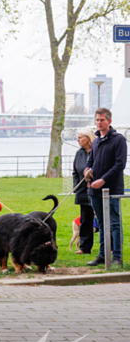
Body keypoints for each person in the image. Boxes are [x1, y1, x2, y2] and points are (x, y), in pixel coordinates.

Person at [85, 108, 126, 267]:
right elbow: (91, 161)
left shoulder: (118, 140)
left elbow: (120, 164)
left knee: (114, 223)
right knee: (101, 224)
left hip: (112, 190)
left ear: (109, 121)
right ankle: (102, 255)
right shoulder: (95, 141)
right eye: (97, 120)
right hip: (94, 190)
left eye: (102, 120)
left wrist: (103, 180)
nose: (99, 122)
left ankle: (116, 256)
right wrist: (87, 171)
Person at [72, 127, 95, 255]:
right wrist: (76, 187)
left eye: (81, 137)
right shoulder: (79, 153)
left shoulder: (97, 151)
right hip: (82, 191)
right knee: (85, 219)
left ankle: (109, 246)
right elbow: (75, 172)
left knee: (102, 219)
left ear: (88, 138)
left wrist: (92, 182)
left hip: (96, 190)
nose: (78, 140)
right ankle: (85, 247)